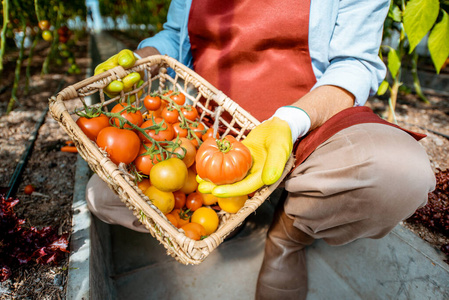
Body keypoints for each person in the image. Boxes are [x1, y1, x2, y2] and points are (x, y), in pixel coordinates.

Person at [86, 0, 436, 299]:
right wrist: (140, 58)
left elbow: (355, 63)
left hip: (312, 126)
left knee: (397, 173)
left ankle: (289, 235)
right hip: (216, 132)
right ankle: (230, 219)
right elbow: (177, 38)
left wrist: (290, 122)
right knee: (106, 195)